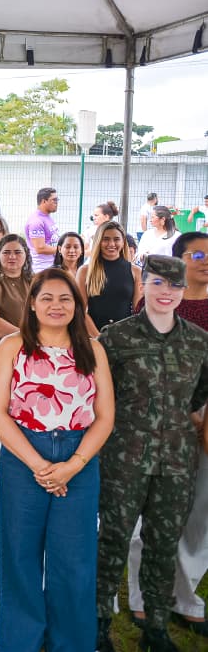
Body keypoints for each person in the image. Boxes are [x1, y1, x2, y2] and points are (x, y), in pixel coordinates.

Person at [0, 268, 114, 652]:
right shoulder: (12, 345)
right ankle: (21, 641)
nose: (56, 306)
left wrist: (73, 464)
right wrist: (38, 465)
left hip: (79, 458)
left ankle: (71, 643)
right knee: (20, 555)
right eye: (47, 299)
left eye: (65, 299)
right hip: (25, 457)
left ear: (77, 305)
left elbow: (105, 415)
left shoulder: (94, 348)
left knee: (73, 559)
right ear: (33, 305)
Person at [95, 255, 208, 652]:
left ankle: (155, 627)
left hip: (176, 461)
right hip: (124, 457)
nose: (166, 293)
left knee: (163, 544)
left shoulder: (198, 341)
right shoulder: (117, 337)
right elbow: (98, 393)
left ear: (182, 291)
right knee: (113, 539)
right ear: (146, 285)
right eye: (158, 284)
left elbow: (198, 395)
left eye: (174, 286)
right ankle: (98, 624)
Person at [124, 231, 208, 636]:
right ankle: (141, 596)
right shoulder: (151, 303)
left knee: (199, 515)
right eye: (197, 254)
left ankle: (185, 596)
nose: (205, 260)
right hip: (156, 424)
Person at [77, 221, 142, 337]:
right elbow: (79, 310)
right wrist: (98, 337)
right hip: (93, 336)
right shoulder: (85, 271)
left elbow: (138, 310)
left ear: (123, 242)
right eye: (106, 239)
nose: (111, 244)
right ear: (98, 241)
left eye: (116, 239)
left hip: (125, 337)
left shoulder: (135, 271)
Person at [24, 187, 59, 272]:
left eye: (57, 199)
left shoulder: (47, 217)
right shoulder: (36, 221)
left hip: (51, 266)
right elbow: (40, 248)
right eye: (54, 200)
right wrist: (62, 249)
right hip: (41, 269)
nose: (57, 203)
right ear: (44, 201)